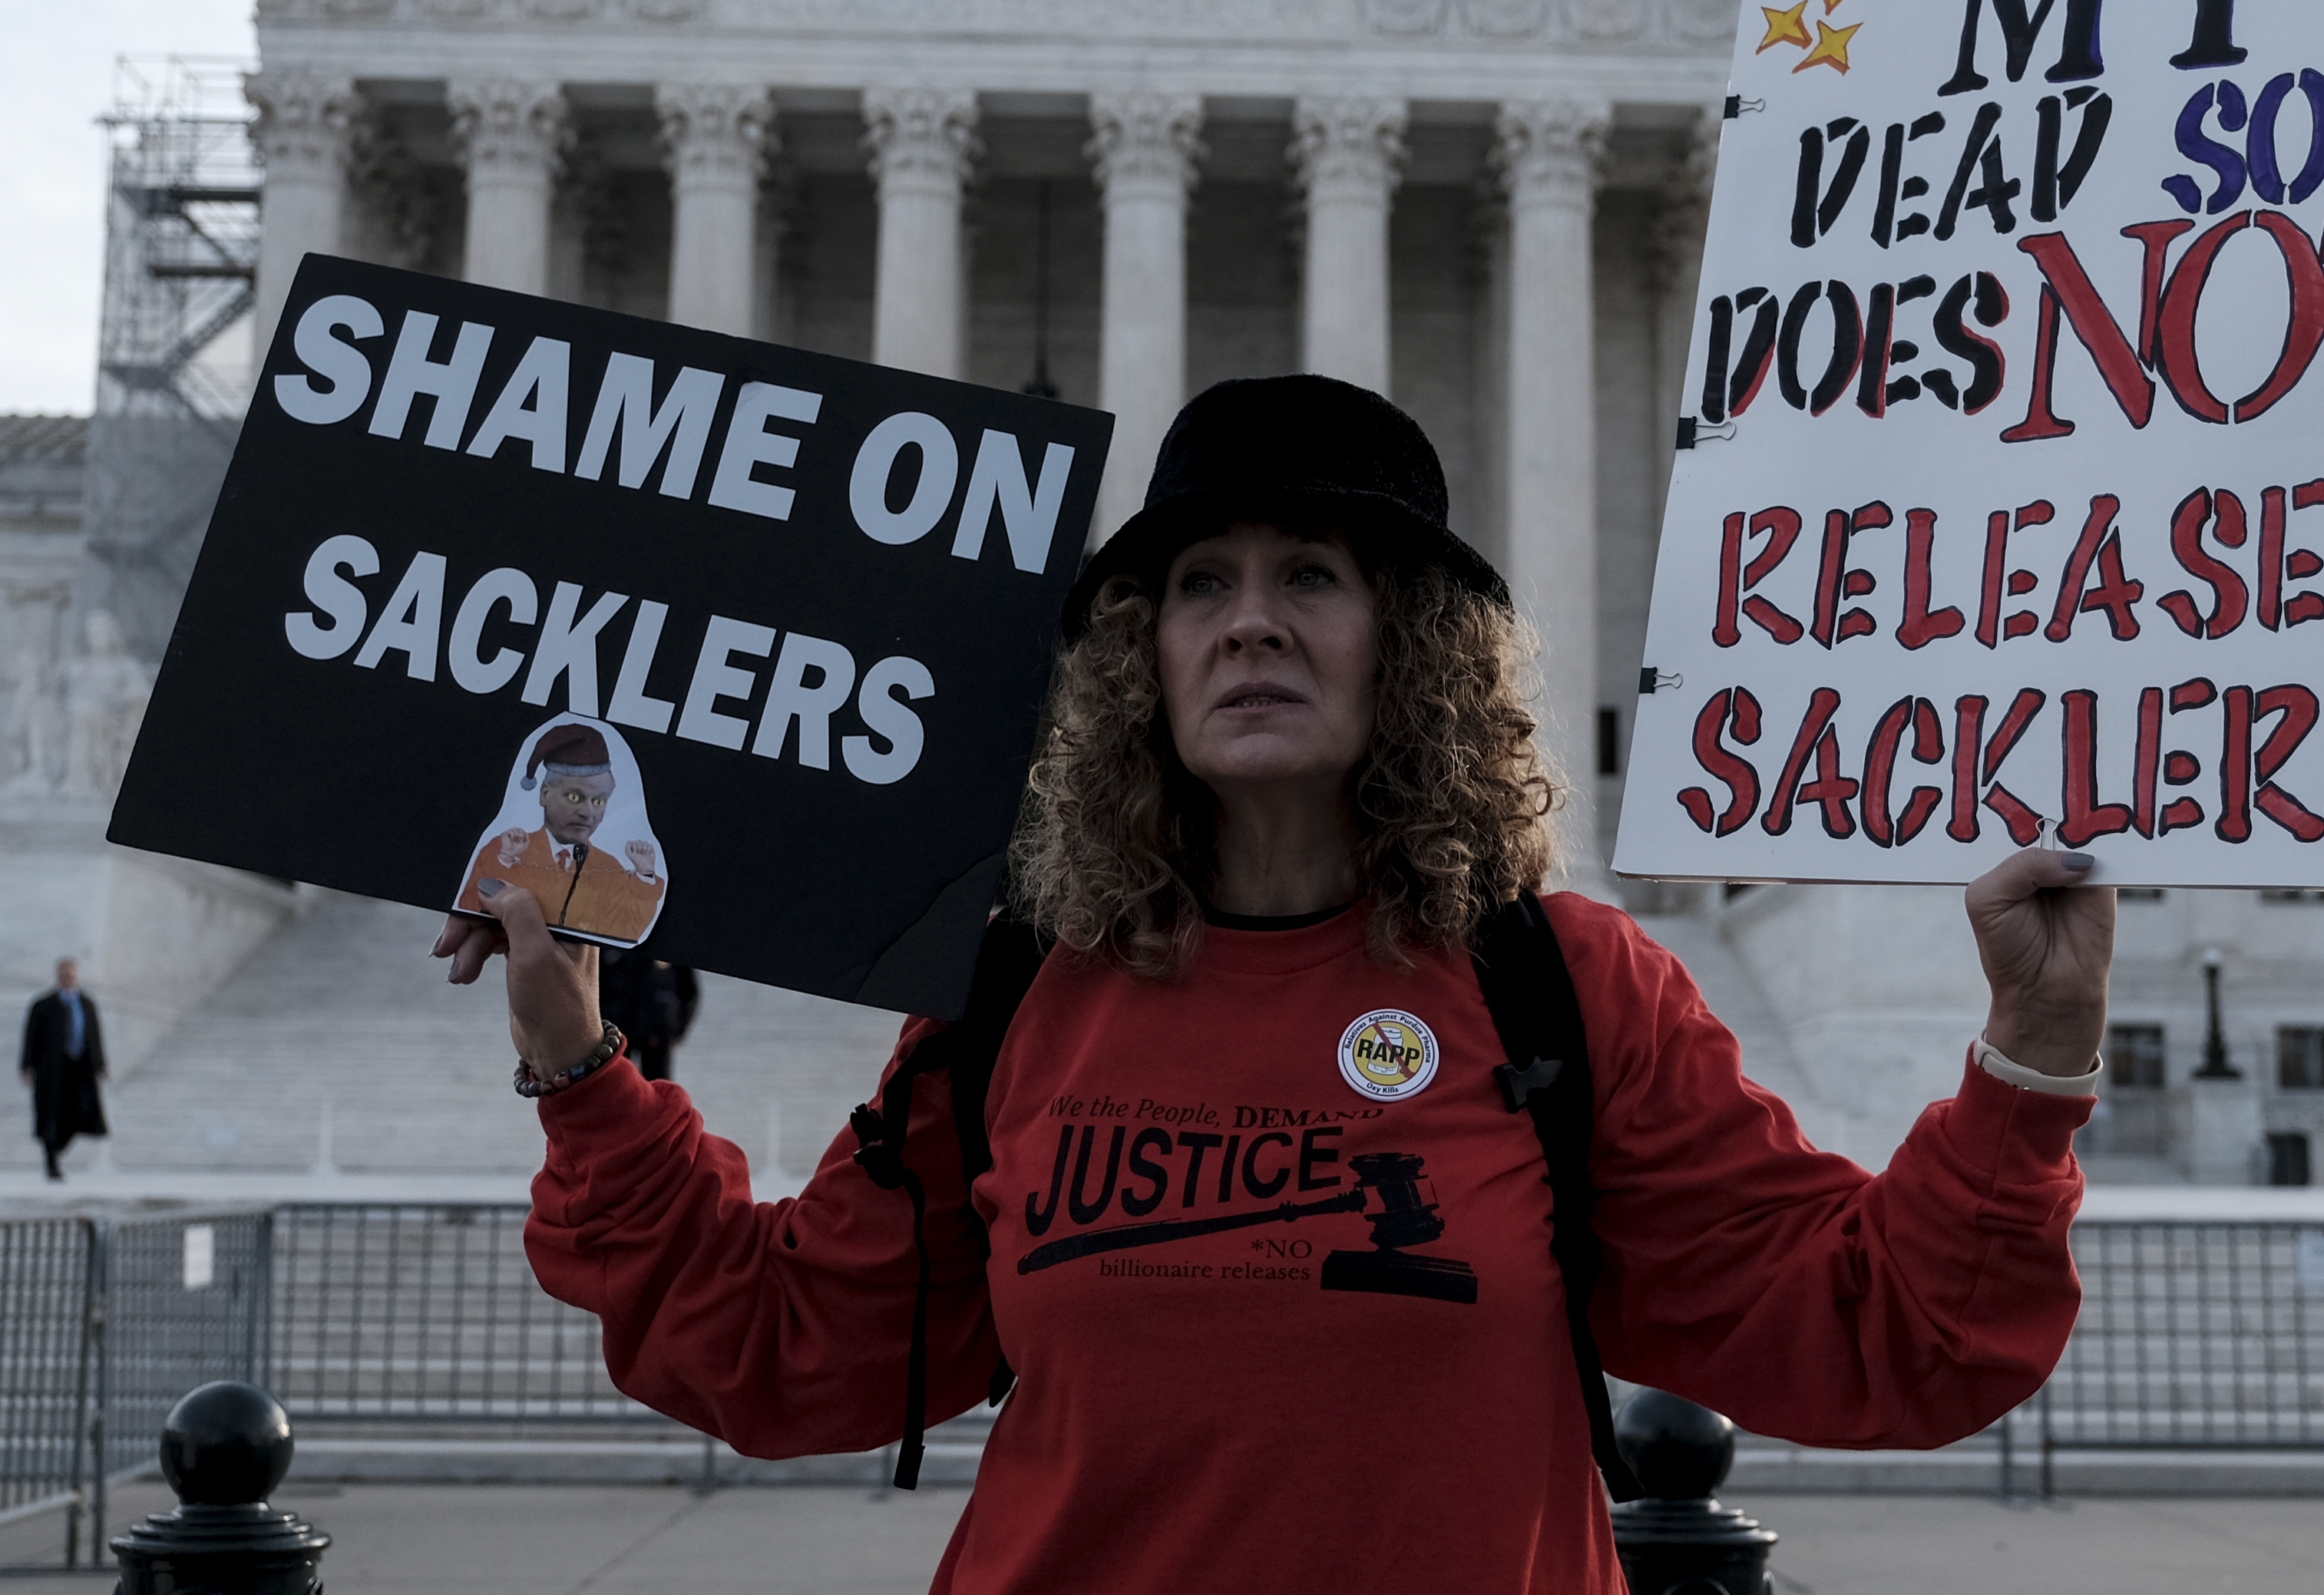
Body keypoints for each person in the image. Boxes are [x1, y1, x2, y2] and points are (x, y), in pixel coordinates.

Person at [440, 375, 2114, 1595]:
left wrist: (2029, 1057)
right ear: (1140, 660)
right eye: (1198, 584)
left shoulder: (1563, 988)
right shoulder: (1021, 993)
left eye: (1309, 574)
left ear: (1410, 647)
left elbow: (1875, 1337)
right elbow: (787, 1343)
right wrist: (575, 1055)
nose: (1250, 623)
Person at [458, 723, 666, 945]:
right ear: (545, 794)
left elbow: (627, 931)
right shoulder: (504, 850)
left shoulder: (609, 868)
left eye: (598, 801)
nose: (587, 813)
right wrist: (504, 862)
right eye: (575, 797)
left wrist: (644, 875)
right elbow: (471, 909)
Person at [20, 957, 107, 1180]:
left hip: (79, 1069)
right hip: (51, 1070)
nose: (67, 976)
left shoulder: (87, 1004)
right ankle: (51, 1160)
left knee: (81, 1111)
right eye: (63, 973)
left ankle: (56, 1146)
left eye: (71, 973)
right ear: (58, 975)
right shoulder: (43, 1005)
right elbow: (31, 1037)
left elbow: (95, 1037)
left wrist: (100, 1064)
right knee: (51, 1114)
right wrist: (27, 1066)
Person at [603, 956, 699, 1084]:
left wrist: (679, 1028)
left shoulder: (669, 946)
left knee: (659, 1085)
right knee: (617, 1082)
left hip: (658, 1031)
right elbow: (600, 984)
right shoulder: (617, 946)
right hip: (619, 1028)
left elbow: (689, 991)